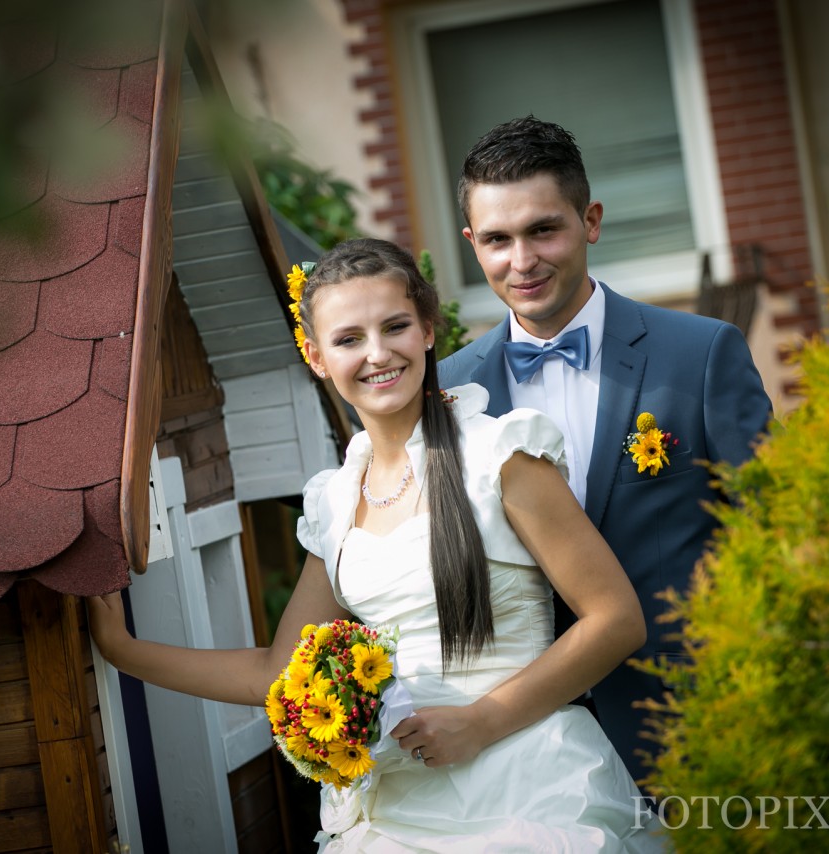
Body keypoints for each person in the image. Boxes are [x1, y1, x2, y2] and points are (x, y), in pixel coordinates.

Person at [89, 238, 664, 851]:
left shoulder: (502, 456)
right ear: (315, 356)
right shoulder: (333, 503)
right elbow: (276, 673)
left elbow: (615, 618)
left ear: (427, 331)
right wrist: (123, 650)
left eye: (395, 327)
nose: (377, 354)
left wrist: (481, 722)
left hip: (528, 783)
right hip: (395, 809)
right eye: (348, 339)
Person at [438, 116, 773, 784]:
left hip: (687, 721)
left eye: (543, 230)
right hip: (519, 747)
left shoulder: (702, 354)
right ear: (473, 244)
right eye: (498, 240)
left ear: (589, 220)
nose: (522, 261)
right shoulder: (445, 392)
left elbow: (774, 532)